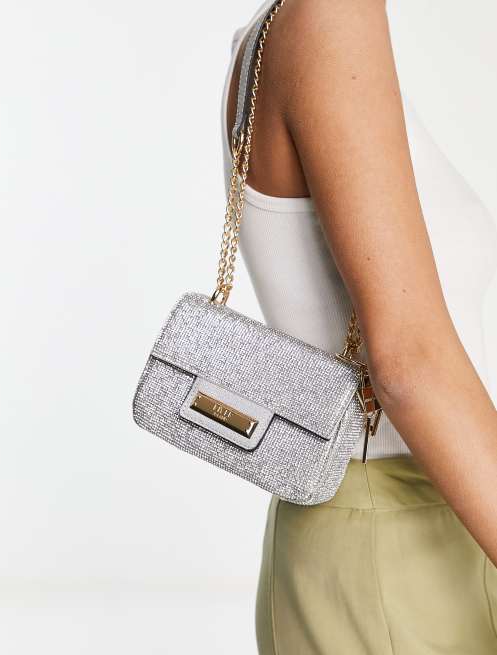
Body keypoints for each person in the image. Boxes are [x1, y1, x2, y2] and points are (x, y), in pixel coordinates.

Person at [220, 0, 497, 652]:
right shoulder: (330, 17)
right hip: (403, 546)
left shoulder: (281, 25)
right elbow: (408, 362)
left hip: (399, 524)